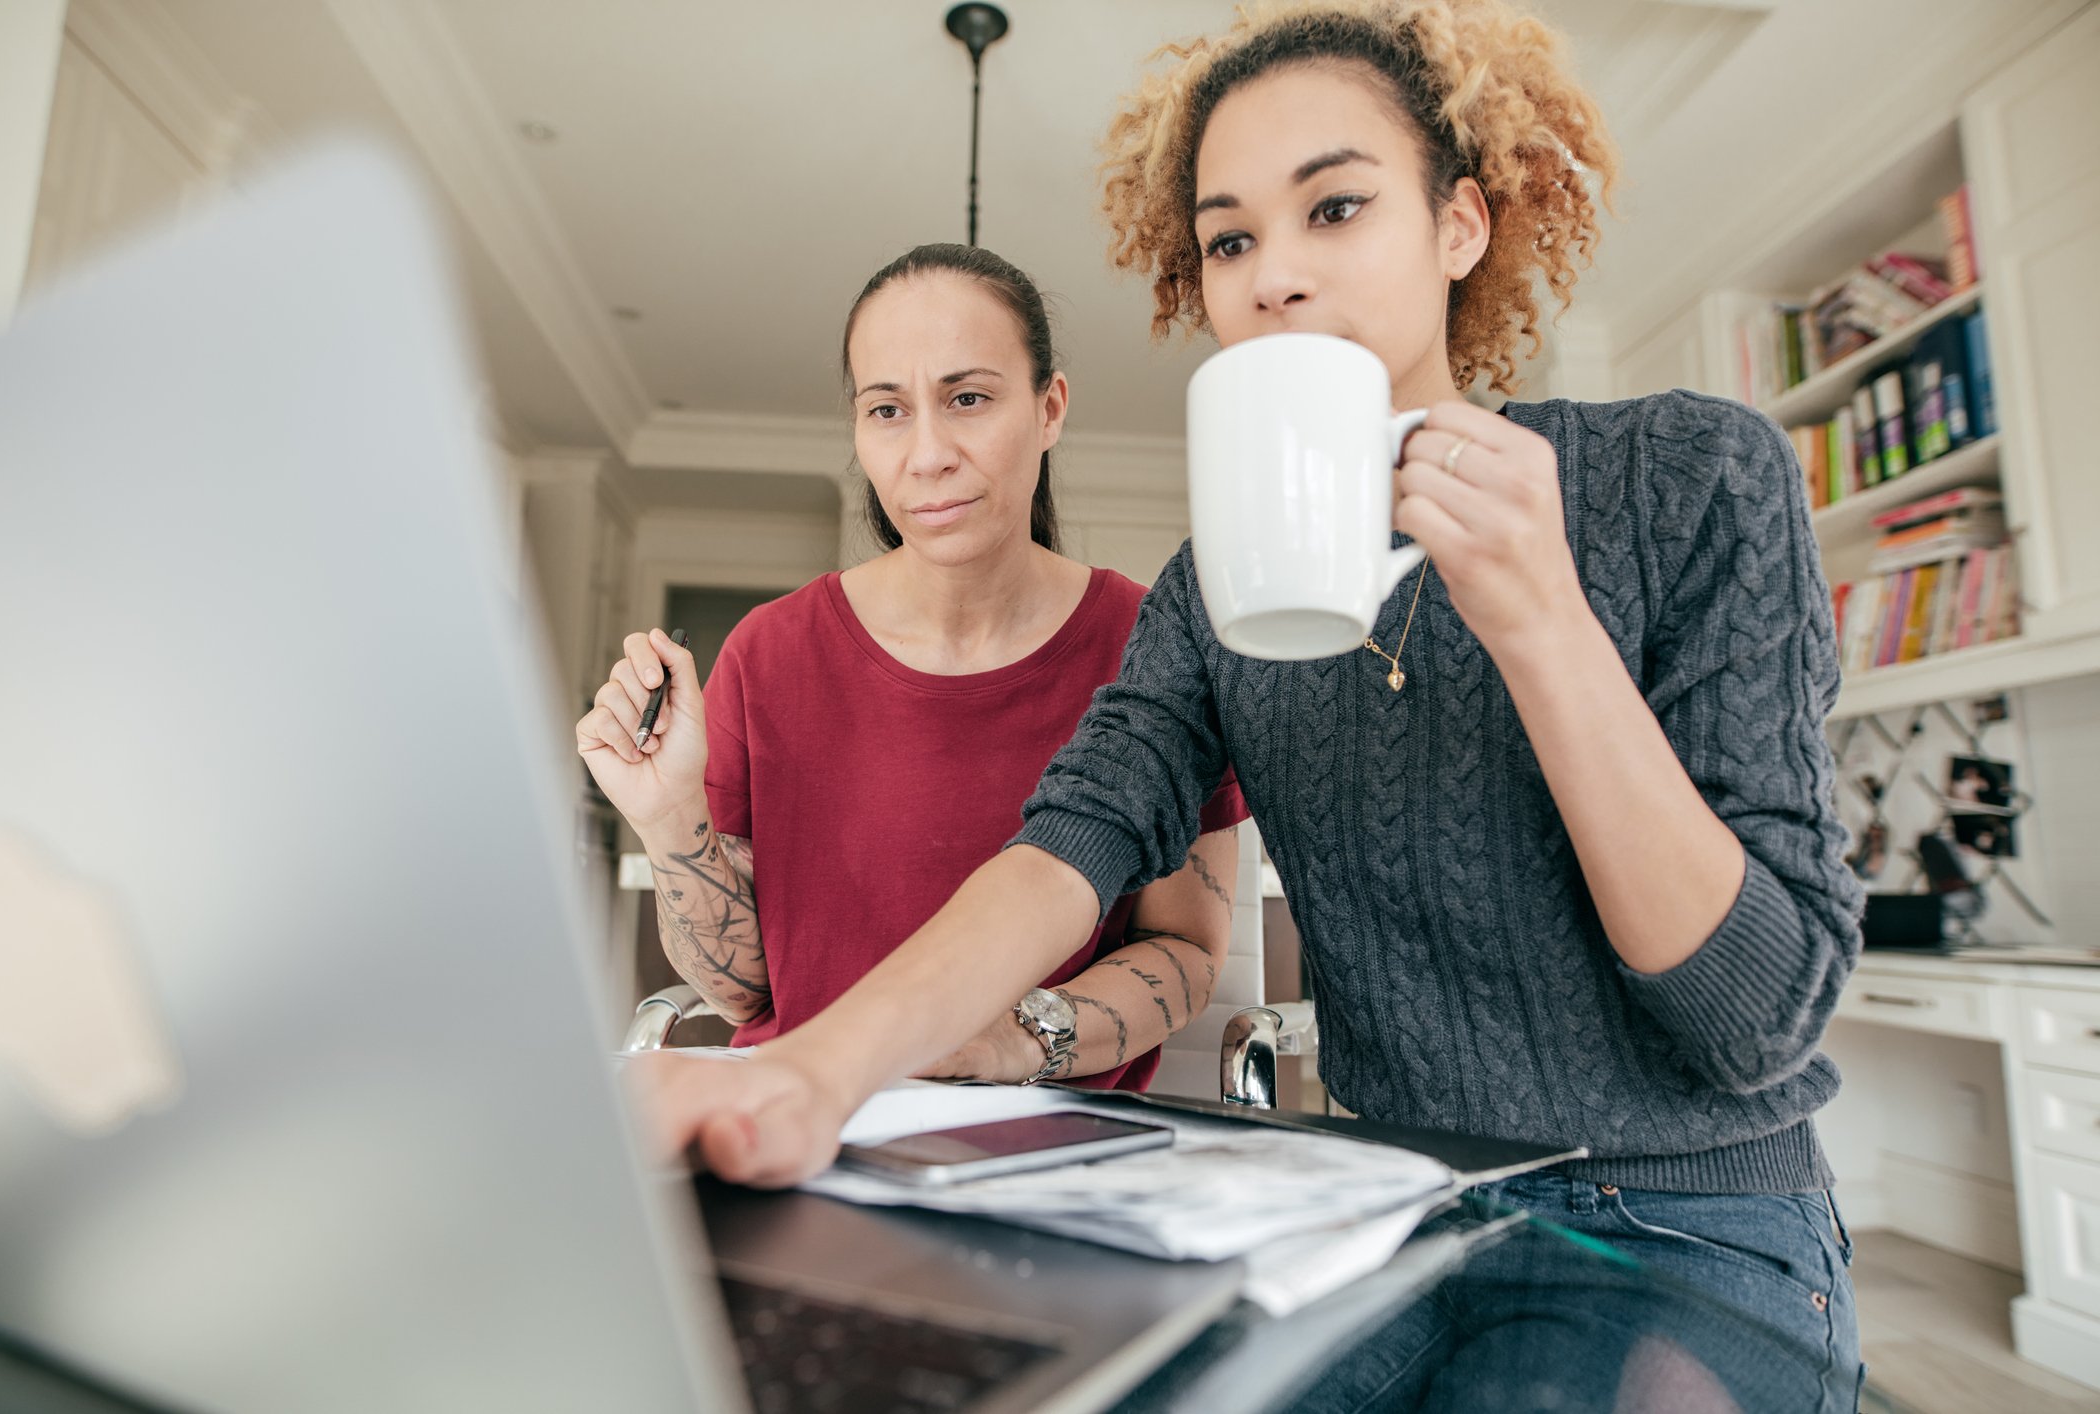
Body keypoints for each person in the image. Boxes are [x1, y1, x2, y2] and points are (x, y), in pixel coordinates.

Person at [633, 0, 1864, 1403]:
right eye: (1229, 239)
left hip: (1688, 1214)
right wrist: (813, 1073)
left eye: (1334, 207)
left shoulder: (1692, 476)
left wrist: (1540, 621)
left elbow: (1755, 1018)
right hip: (1400, 1198)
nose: (1272, 276)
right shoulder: (1210, 588)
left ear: (1459, 226)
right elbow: (1072, 840)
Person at [577, 243, 1248, 1090]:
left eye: (967, 398)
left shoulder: (1153, 642)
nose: (926, 454)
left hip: (1045, 1149)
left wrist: (1015, 1042)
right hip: (806, 1132)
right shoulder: (768, 652)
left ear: (1050, 408)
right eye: (887, 411)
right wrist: (671, 821)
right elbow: (749, 995)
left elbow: (1185, 950)